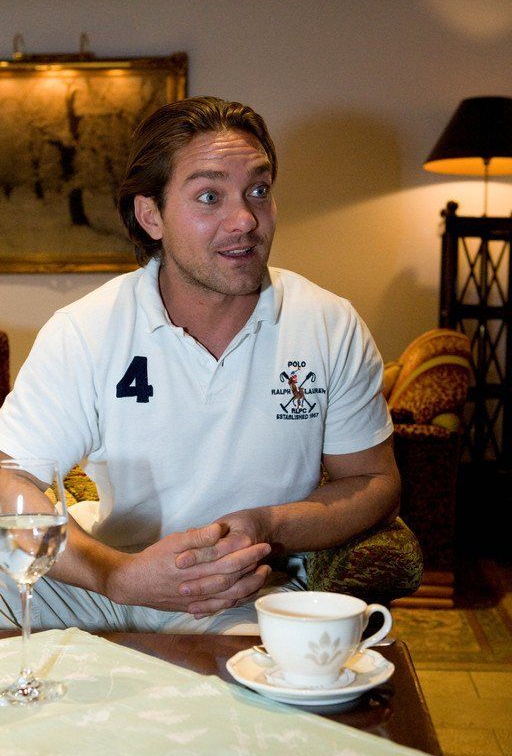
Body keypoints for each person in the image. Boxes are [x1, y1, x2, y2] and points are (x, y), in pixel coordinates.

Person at [0, 96, 399, 634]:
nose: (245, 219)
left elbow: (374, 481)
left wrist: (269, 525)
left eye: (258, 190)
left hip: (245, 590)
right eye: (210, 196)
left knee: (252, 679)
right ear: (151, 216)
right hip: (108, 580)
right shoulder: (85, 329)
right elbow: (8, 478)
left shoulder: (329, 324)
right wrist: (115, 575)